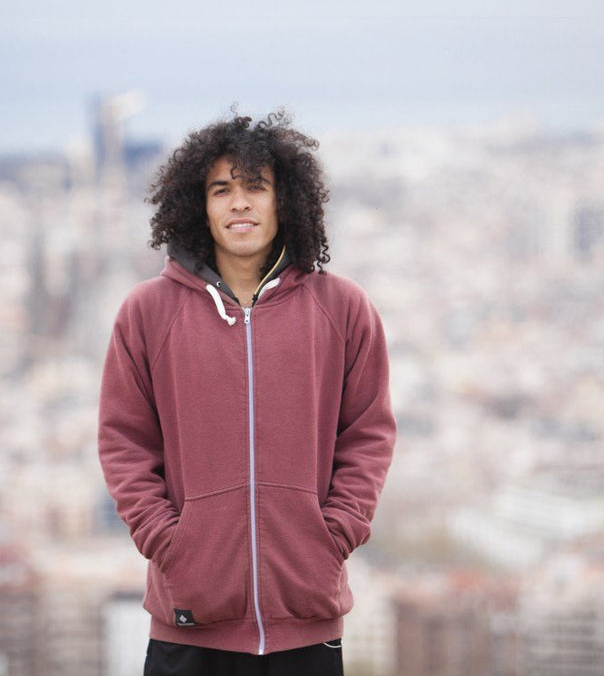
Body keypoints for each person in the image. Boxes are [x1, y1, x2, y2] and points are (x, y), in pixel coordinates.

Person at [98, 111, 396, 675]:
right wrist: (170, 545)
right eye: (221, 189)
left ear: (286, 201)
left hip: (304, 622)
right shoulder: (147, 313)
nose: (240, 203)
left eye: (256, 187)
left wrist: (333, 536)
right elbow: (124, 443)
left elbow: (369, 435)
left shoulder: (342, 310)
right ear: (197, 206)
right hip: (190, 624)